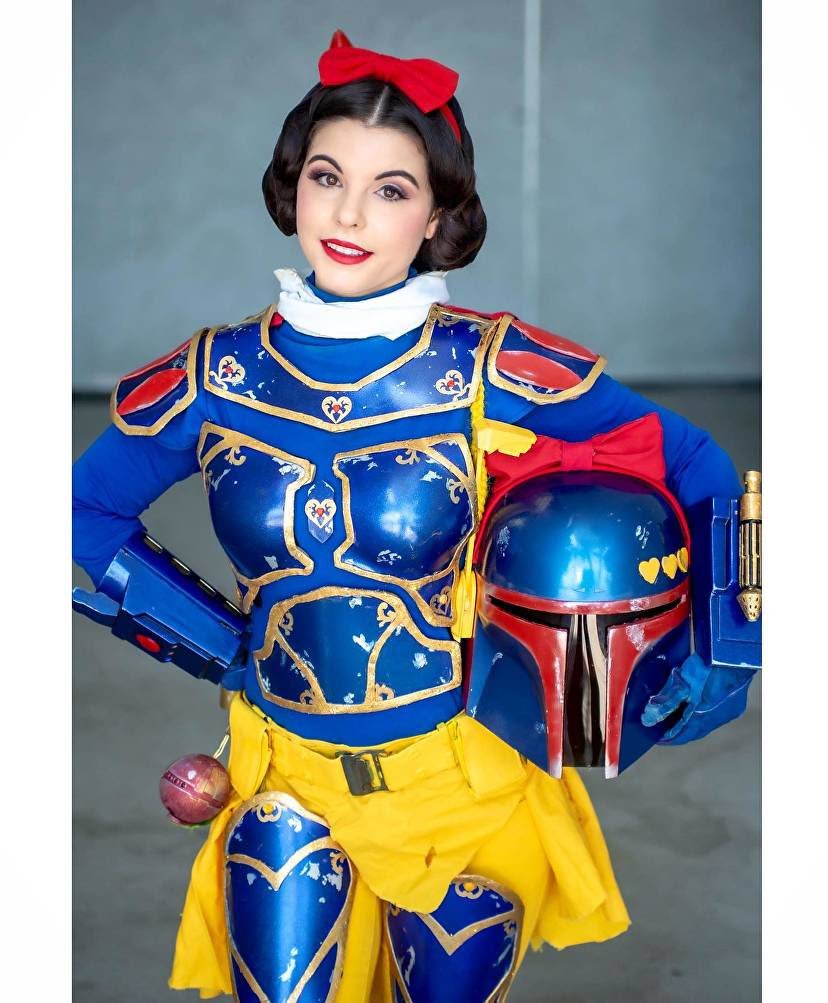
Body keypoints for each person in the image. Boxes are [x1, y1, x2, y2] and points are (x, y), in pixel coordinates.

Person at [72, 30, 756, 1002]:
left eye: (390, 189)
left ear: (437, 215)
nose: (349, 214)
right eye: (327, 177)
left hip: (457, 784)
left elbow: (692, 461)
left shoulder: (486, 365)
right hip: (287, 778)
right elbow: (79, 513)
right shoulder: (216, 376)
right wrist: (221, 646)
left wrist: (733, 637)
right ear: (292, 188)